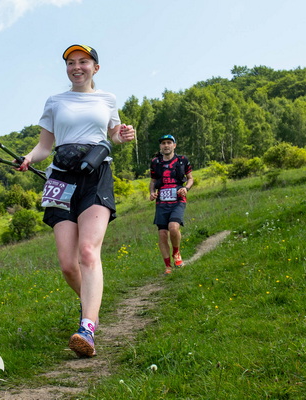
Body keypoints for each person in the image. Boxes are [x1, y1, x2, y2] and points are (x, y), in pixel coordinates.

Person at [17, 44, 135, 358]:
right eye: (71, 62)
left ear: (95, 67)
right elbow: (45, 146)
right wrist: (28, 158)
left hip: (96, 174)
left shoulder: (107, 99)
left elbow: (113, 134)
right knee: (69, 265)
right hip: (60, 178)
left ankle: (87, 327)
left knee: (87, 251)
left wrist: (121, 136)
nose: (76, 67)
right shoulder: (55, 101)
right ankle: (91, 305)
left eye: (83, 61)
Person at [149, 134, 194, 275]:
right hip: (162, 202)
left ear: (174, 145)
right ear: (160, 146)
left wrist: (186, 188)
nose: (166, 145)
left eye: (169, 142)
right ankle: (168, 266)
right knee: (162, 234)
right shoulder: (155, 162)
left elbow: (190, 179)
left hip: (178, 200)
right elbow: (153, 181)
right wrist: (152, 192)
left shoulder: (182, 160)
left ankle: (176, 253)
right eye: (163, 143)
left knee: (173, 228)